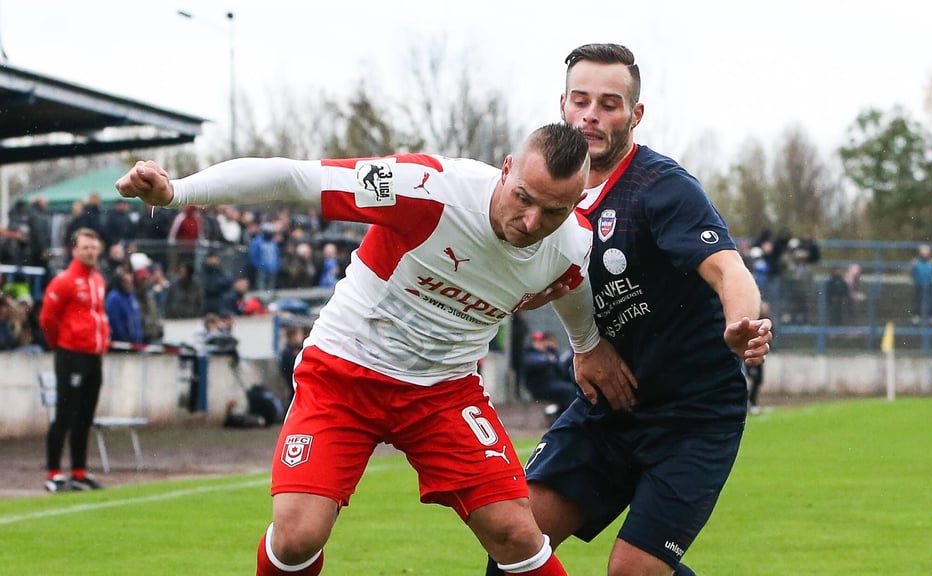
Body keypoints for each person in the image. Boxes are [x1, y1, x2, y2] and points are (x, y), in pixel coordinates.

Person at [116, 122, 637, 576]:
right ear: (505, 170)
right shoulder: (427, 188)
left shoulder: (571, 242)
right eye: (523, 197)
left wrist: (586, 344)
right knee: (298, 536)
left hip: (443, 393)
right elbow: (294, 176)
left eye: (553, 211)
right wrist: (177, 192)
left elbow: (574, 288)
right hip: (345, 371)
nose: (531, 223)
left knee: (516, 534)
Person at [485, 44, 772, 576]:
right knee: (515, 539)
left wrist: (741, 323)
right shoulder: (542, 192)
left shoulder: (662, 188)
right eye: (581, 99)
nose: (592, 114)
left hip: (692, 415)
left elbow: (729, 269)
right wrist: (582, 346)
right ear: (563, 106)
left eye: (610, 103)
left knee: (633, 571)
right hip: (605, 409)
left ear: (635, 114)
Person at [39, 227, 110, 492]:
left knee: (85, 417)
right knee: (65, 415)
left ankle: (79, 472)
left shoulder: (99, 280)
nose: (90, 252)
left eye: (94, 247)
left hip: (94, 355)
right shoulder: (65, 281)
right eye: (85, 247)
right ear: (75, 250)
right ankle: (54, 473)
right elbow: (48, 318)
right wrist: (60, 344)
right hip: (72, 354)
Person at [521, 330, 578, 421]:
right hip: (540, 388)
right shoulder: (530, 354)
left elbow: (560, 369)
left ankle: (562, 416)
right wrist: (548, 361)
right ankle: (570, 418)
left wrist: (553, 351)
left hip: (551, 385)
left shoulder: (548, 353)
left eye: (542, 341)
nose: (540, 344)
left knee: (571, 389)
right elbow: (532, 364)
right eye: (537, 342)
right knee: (568, 390)